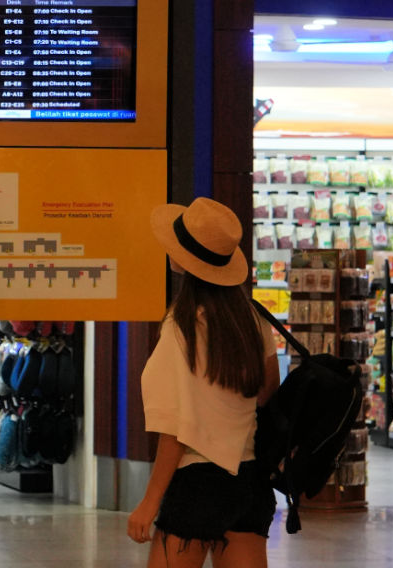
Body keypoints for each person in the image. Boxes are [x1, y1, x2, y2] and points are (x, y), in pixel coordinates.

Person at [126, 197, 280, 567]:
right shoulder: (254, 322)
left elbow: (175, 431)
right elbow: (268, 395)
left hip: (197, 485)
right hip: (249, 481)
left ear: (184, 261)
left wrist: (150, 501)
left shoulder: (181, 329)